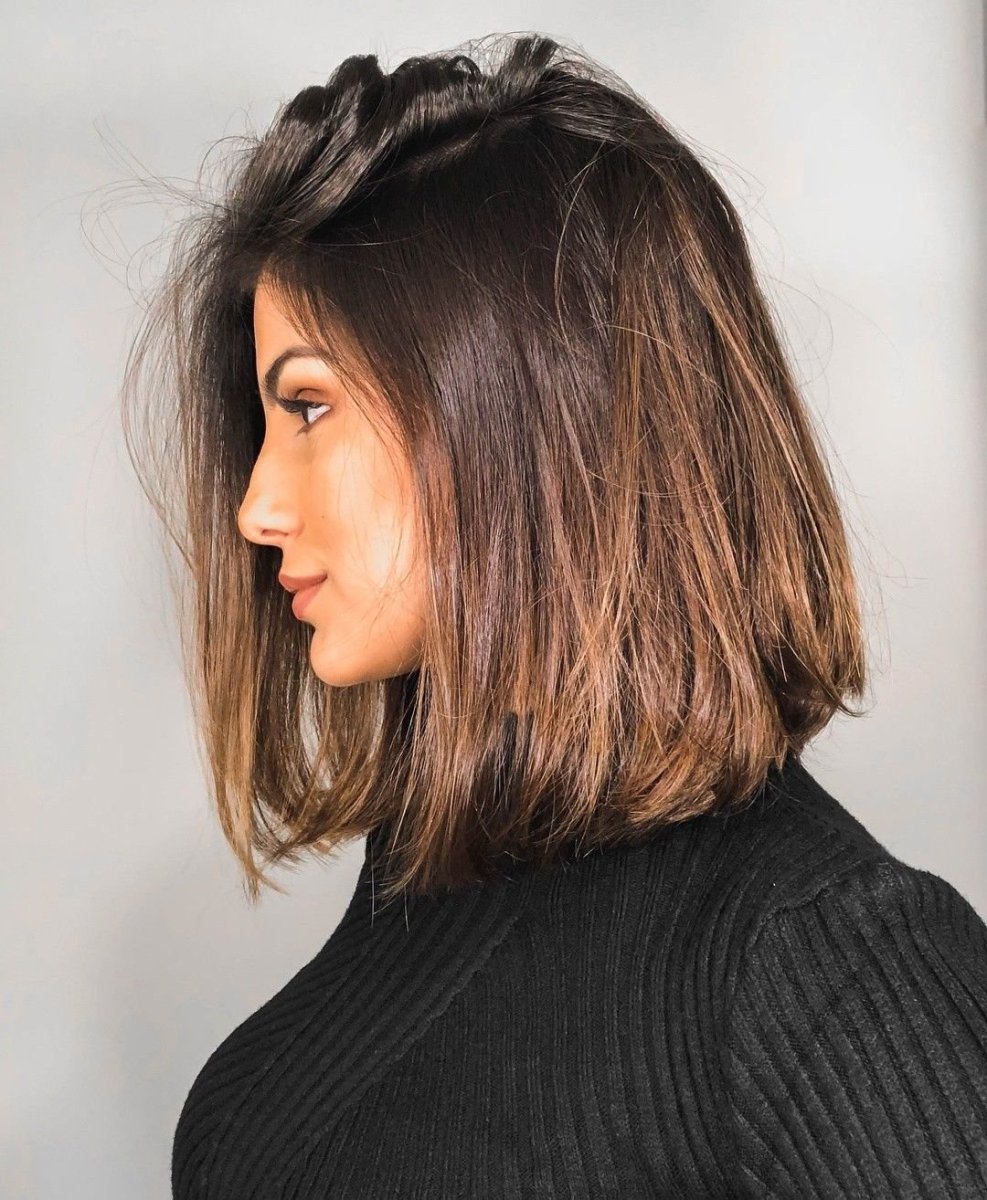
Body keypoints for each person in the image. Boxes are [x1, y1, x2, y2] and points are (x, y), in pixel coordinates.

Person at [119, 32, 987, 1199]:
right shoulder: (328, 1016)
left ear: (523, 414)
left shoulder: (824, 966)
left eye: (310, 408)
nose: (257, 506)